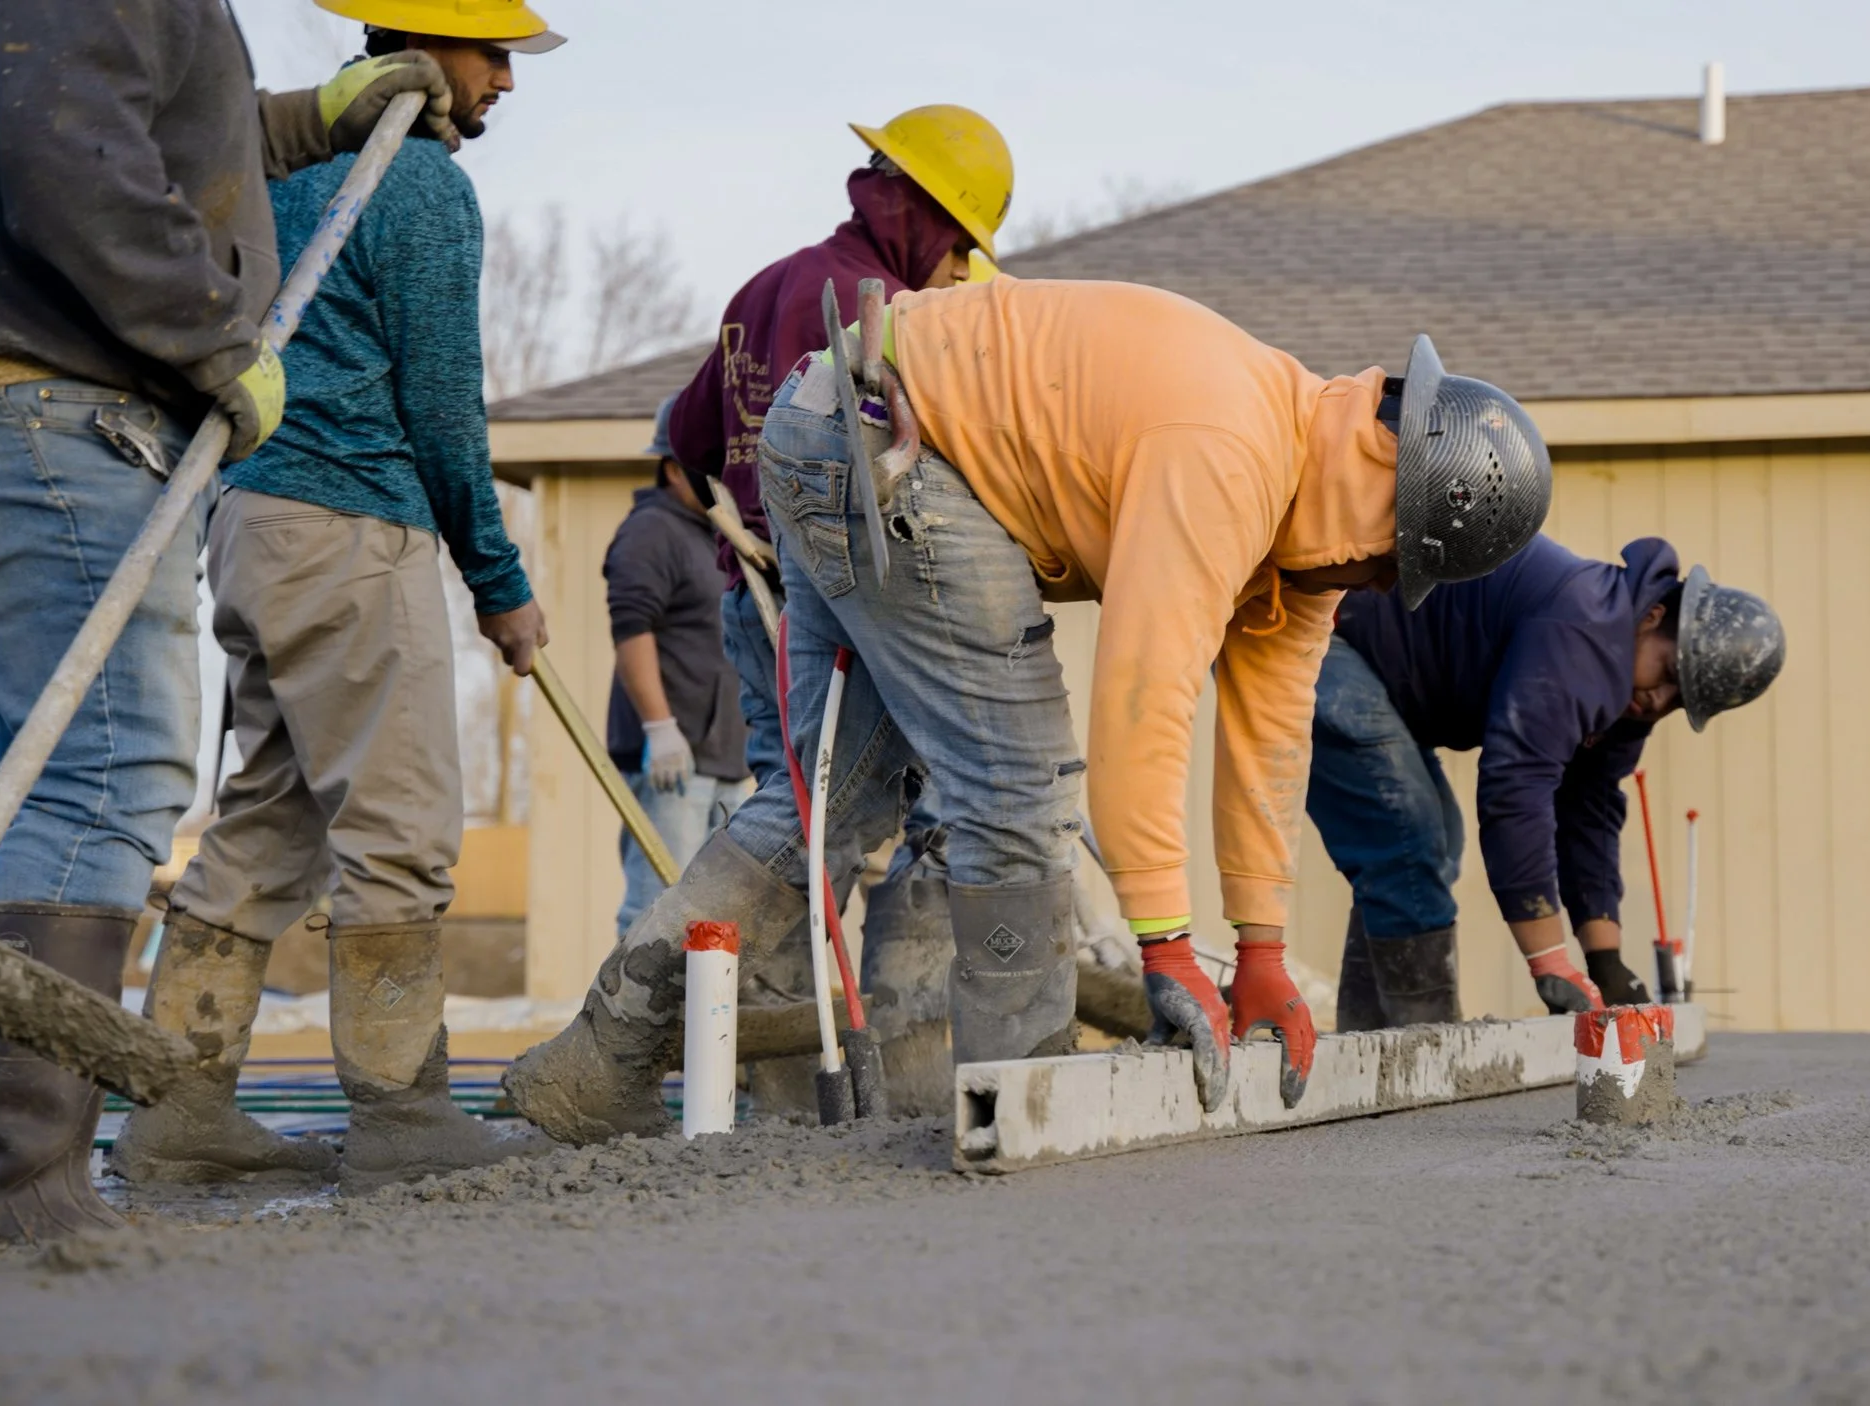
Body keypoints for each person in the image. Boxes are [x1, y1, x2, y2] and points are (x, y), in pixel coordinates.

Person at [502, 285, 1553, 1141]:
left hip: (834, 418)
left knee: (835, 800)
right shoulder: (1230, 449)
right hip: (891, 437)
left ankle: (595, 1064)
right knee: (1018, 783)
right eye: (1391, 553)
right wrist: (1166, 939)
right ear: (1385, 474)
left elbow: (1269, 736)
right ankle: (1023, 1100)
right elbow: (1147, 691)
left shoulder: (1302, 510)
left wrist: (1263, 945)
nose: (1378, 580)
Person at [0, 0, 454, 1243]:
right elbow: (66, 150)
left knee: (34, 782)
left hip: (14, 394)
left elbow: (142, 137)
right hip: (63, 403)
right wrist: (210, 335)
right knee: (108, 772)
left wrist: (304, 123)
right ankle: (26, 1188)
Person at [109, 0, 566, 1197]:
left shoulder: (284, 180)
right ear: (425, 47)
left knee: (270, 820)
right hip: (355, 526)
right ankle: (404, 1114)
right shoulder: (414, 186)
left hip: (251, 523)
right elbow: (444, 402)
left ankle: (178, 1109)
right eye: (494, 54)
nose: (506, 83)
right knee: (399, 831)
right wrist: (499, 580)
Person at [660, 105, 1010, 1111]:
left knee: (799, 813)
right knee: (836, 822)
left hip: (753, 601)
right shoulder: (889, 313)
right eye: (960, 248)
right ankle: (895, 1066)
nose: (958, 271)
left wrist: (748, 512)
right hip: (846, 617)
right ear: (927, 216)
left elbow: (682, 438)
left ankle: (762, 1078)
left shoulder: (759, 290)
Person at [1314, 537, 1783, 1027]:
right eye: (1666, 672)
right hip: (1327, 636)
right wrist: (1550, 961)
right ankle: (1418, 1045)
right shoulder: (1587, 627)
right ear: (1651, 617)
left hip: (1374, 667)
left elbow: (1590, 806)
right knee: (1411, 838)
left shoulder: (1628, 687)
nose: (1657, 700)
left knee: (1432, 846)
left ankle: (1369, 1045)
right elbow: (1514, 785)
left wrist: (1606, 961)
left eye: (1679, 700)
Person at [605, 398, 750, 934]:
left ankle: (699, 1021)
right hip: (671, 759)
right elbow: (631, 628)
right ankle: (634, 1019)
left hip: (725, 760)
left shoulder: (716, 534)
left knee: (710, 917)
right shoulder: (652, 530)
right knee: (657, 907)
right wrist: (660, 729)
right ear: (672, 466)